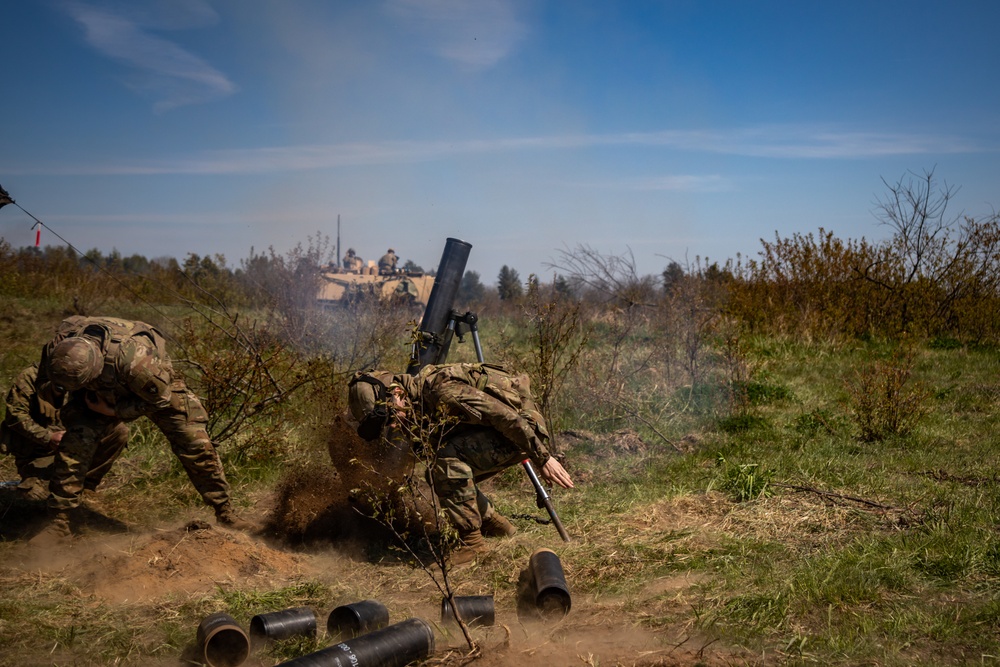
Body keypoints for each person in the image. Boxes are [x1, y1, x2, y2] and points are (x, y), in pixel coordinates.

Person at [32, 316, 253, 541]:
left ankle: (225, 512)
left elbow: (160, 399)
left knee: (195, 443)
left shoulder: (135, 360)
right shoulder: (58, 350)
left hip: (152, 390)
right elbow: (43, 386)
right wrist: (64, 394)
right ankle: (60, 522)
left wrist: (115, 411)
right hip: (95, 394)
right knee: (74, 447)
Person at [348, 362, 573, 565]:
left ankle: (473, 546)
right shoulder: (413, 406)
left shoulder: (441, 390)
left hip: (523, 427)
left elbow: (505, 417)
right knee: (436, 471)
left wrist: (543, 458)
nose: (393, 426)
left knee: (446, 461)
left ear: (398, 393)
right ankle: (496, 525)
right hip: (502, 430)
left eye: (390, 417)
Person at [1, 363, 128, 502]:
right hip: (39, 454)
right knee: (35, 497)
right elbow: (15, 415)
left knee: (118, 431)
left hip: (77, 446)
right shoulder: (32, 376)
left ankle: (86, 485)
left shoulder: (89, 373)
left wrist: (106, 410)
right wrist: (48, 437)